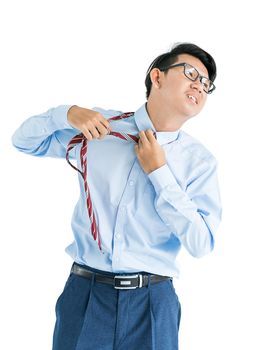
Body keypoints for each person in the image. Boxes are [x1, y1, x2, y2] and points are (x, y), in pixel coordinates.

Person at [11, 42, 222, 350]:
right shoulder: (100, 129)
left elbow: (201, 243)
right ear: (157, 78)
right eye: (190, 73)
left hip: (153, 303)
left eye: (206, 84)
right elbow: (23, 141)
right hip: (86, 294)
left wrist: (159, 173)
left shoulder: (200, 163)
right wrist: (66, 114)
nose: (199, 86)